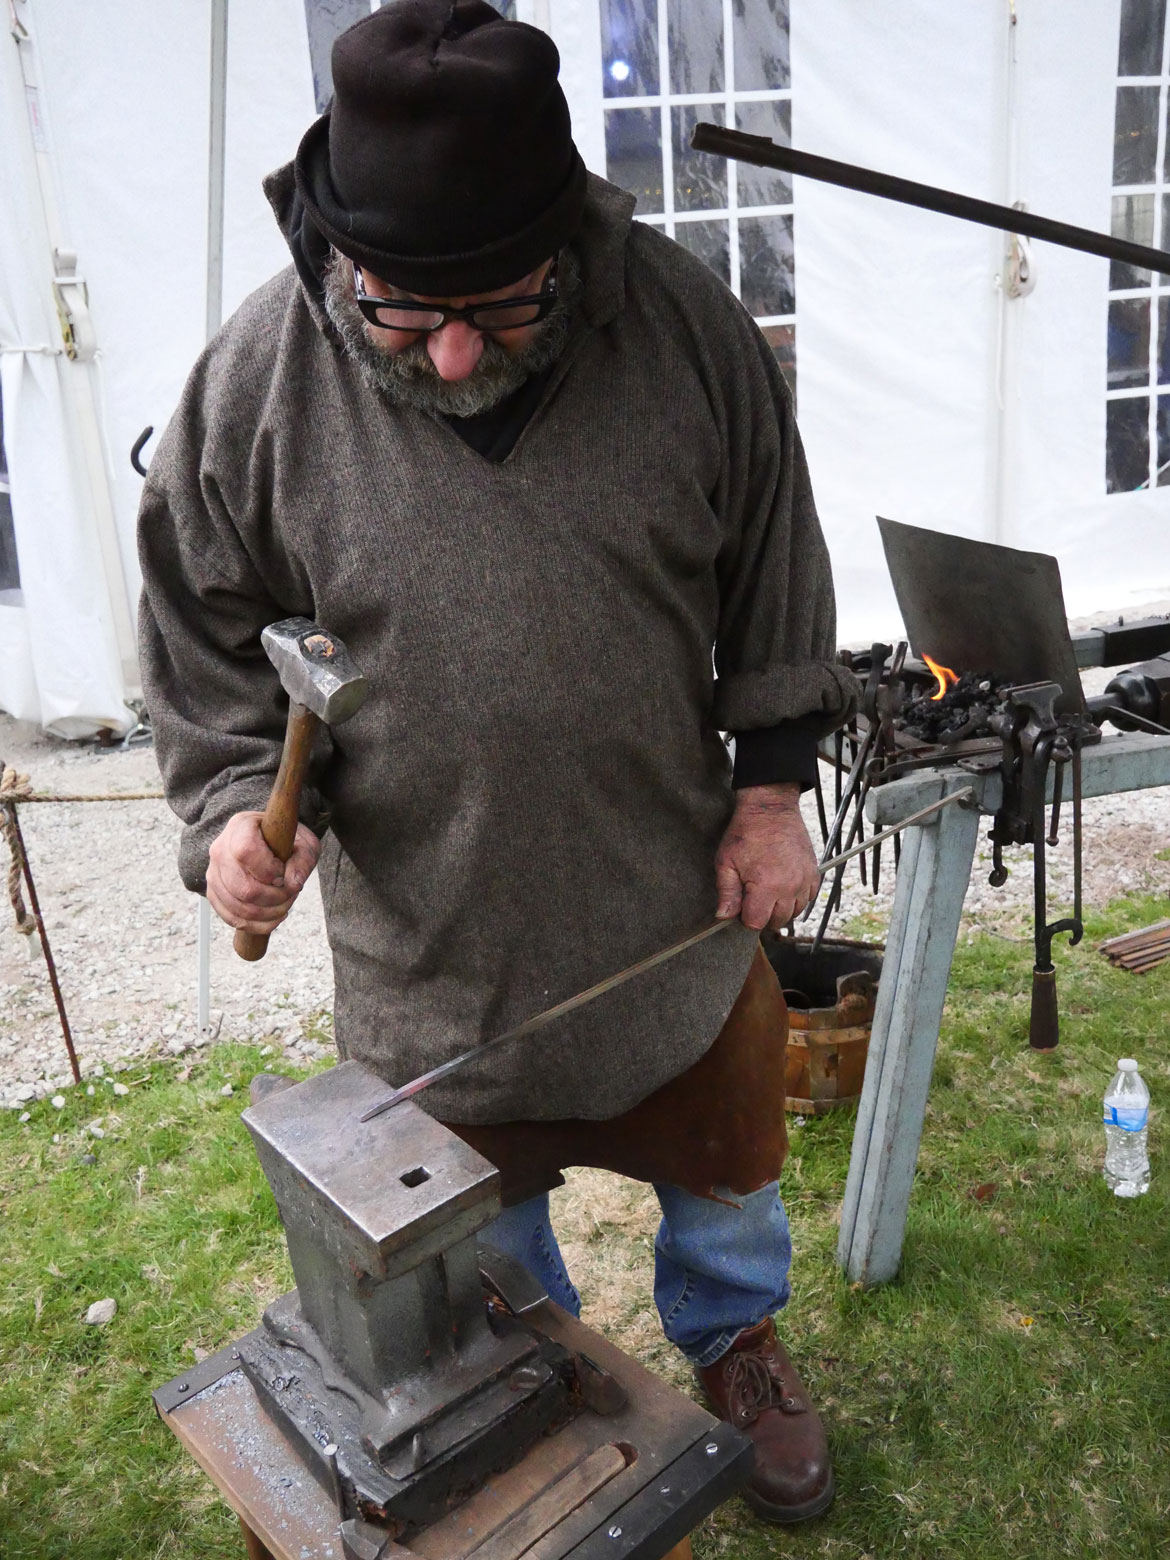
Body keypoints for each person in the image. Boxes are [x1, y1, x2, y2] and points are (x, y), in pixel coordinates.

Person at [138, 0, 857, 1526]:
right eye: (405, 309)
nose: (455, 345)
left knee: (721, 1139)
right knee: (462, 1221)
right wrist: (221, 817)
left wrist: (771, 787)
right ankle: (524, 1362)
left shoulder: (680, 329)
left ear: (568, 241)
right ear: (340, 253)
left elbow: (773, 565)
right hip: (431, 932)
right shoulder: (258, 384)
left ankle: (732, 1337)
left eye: (504, 301)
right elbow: (197, 625)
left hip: (656, 890)